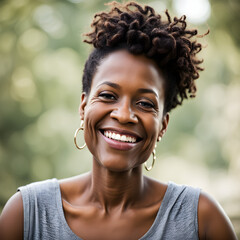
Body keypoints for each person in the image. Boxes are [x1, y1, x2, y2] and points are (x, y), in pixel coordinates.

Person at [0, 1, 237, 240]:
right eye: (107, 96)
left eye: (145, 103)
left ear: (163, 125)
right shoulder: (26, 215)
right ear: (83, 106)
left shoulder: (201, 220)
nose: (123, 115)